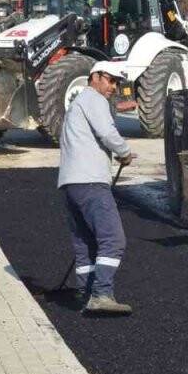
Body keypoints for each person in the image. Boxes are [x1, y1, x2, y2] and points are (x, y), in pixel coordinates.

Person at [58, 61, 137, 315]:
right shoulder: (94, 99)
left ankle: (85, 291)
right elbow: (107, 132)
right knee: (113, 239)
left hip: (70, 183)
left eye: (116, 82)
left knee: (85, 243)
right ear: (95, 77)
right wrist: (124, 152)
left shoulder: (76, 105)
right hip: (91, 181)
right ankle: (102, 293)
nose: (114, 86)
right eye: (110, 80)